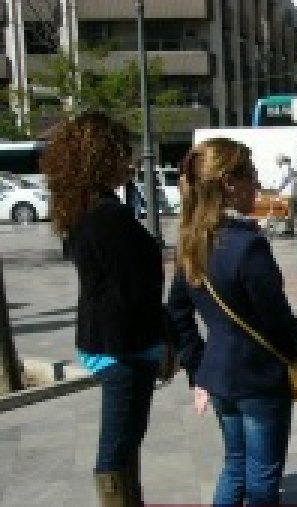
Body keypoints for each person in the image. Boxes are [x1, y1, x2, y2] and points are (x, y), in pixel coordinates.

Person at [166, 138, 297, 505]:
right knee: (262, 476)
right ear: (230, 183)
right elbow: (275, 317)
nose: (257, 184)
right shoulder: (248, 246)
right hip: (259, 377)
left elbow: (178, 313)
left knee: (235, 466)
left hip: (219, 376)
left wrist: (199, 365)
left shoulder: (192, 241)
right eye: (252, 175)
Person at [40, 112, 165, 506]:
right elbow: (131, 292)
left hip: (109, 341)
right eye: (121, 154)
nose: (128, 162)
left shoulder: (85, 209)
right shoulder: (107, 216)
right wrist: (164, 338)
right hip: (122, 349)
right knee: (117, 447)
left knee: (124, 443)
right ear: (99, 158)